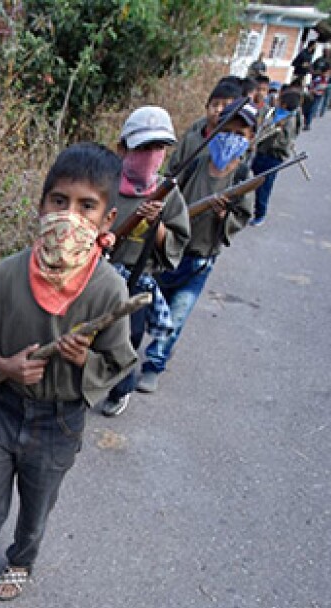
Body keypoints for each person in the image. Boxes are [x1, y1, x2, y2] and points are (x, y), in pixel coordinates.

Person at [0, 143, 136, 608]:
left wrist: (87, 362)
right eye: (59, 201)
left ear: (108, 218)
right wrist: (2, 364)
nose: (69, 216)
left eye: (87, 206)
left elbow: (118, 362)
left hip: (59, 422)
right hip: (4, 410)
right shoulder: (5, 275)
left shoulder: (108, 291)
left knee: (37, 504)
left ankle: (22, 558)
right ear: (40, 206)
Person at [139, 101, 258, 395]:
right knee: (151, 306)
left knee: (178, 314)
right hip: (167, 252)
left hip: (200, 260)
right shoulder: (195, 162)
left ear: (250, 137)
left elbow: (241, 218)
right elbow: (168, 194)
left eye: (239, 132)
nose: (231, 137)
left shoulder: (243, 177)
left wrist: (222, 215)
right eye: (226, 130)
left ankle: (154, 363)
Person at [98, 107, 190, 417]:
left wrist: (157, 224)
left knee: (128, 340)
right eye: (142, 148)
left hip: (137, 283)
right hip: (98, 275)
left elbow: (177, 242)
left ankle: (120, 389)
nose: (151, 155)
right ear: (123, 147)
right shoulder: (104, 183)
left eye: (158, 148)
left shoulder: (168, 195)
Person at [251, 86, 304, 225]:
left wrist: (275, 132)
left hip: (273, 157)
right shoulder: (274, 113)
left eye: (279, 99)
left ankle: (260, 214)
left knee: (264, 186)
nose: (276, 101)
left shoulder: (290, 120)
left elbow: (283, 142)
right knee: (251, 180)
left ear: (285, 104)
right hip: (261, 153)